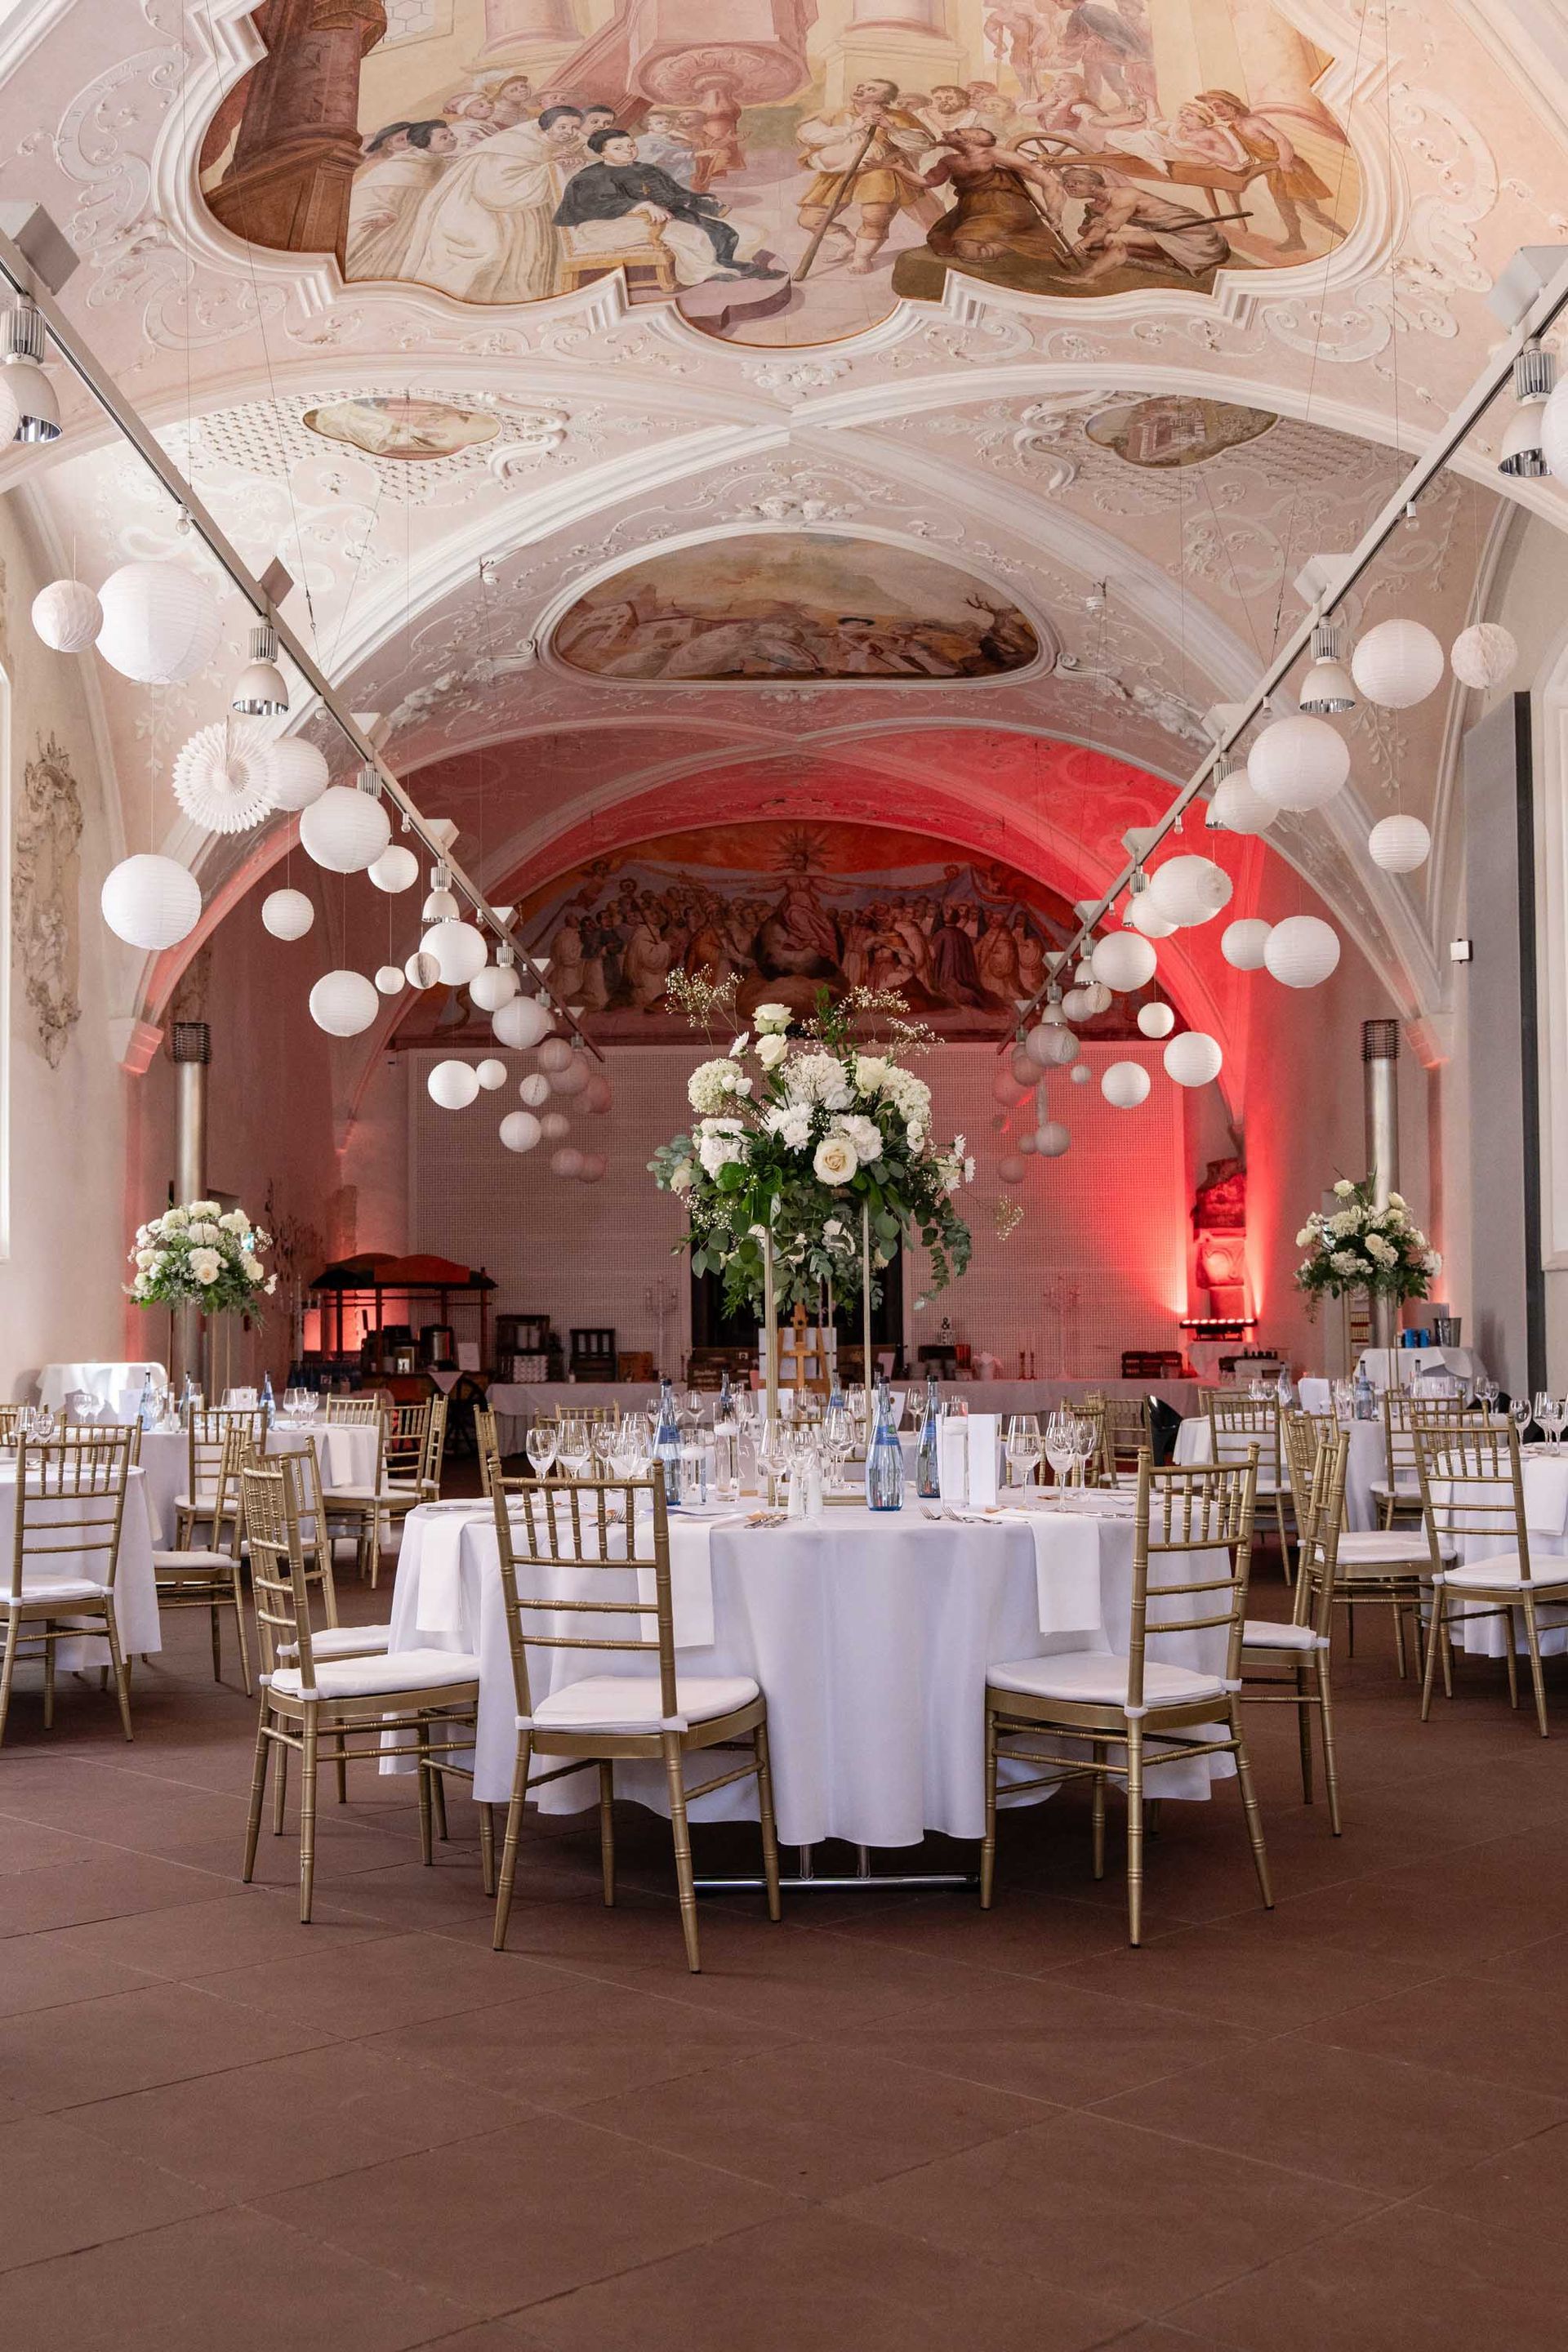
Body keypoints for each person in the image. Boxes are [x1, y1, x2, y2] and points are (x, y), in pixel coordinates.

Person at [395, 104, 585, 303]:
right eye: (562, 127)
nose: (569, 133)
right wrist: (553, 170)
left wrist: (567, 168)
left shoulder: (559, 146)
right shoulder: (513, 143)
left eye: (574, 128)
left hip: (519, 215)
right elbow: (497, 190)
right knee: (489, 255)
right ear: (546, 126)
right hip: (475, 211)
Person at [552, 127, 782, 283]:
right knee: (694, 236)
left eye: (630, 146)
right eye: (618, 148)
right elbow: (597, 204)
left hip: (663, 216)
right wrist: (642, 206)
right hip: (609, 225)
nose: (629, 151)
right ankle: (707, 271)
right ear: (602, 152)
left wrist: (699, 199)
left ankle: (730, 261)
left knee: (751, 233)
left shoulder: (647, 168)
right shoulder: (591, 176)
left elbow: (673, 193)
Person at [795, 78, 940, 274]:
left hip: (881, 169)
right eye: (861, 86)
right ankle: (848, 243)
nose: (861, 89)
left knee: (875, 217)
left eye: (870, 89)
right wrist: (851, 128)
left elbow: (925, 143)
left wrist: (891, 128)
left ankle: (862, 257)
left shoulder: (899, 117)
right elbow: (807, 135)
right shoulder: (836, 114)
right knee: (809, 218)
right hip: (841, 169)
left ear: (884, 98)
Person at [1194, 87, 1341, 252]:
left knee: (1312, 212)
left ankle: (1344, 236)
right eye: (1211, 109)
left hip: (1291, 169)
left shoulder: (1255, 122)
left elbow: (1281, 140)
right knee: (1285, 208)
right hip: (1272, 172)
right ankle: (1296, 240)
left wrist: (1284, 161)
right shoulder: (1233, 129)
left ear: (1232, 104)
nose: (1215, 111)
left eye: (1218, 106)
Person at [918, 128, 1069, 265]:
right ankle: (1023, 242)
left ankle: (1029, 245)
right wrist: (898, 168)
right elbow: (926, 182)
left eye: (957, 132)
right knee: (939, 239)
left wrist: (1054, 212)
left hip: (1005, 209)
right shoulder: (950, 161)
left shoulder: (997, 155)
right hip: (970, 210)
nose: (946, 132)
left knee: (968, 249)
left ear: (972, 140)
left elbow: (1048, 182)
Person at [1060, 163, 1231, 279]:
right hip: (1167, 235)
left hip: (1196, 236)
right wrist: (1089, 229)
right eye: (1067, 184)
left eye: (1076, 183)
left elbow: (1110, 227)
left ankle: (1086, 278)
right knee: (1098, 247)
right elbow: (1084, 230)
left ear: (1093, 185)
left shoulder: (1123, 195)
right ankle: (1169, 260)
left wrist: (1088, 240)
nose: (1070, 187)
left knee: (1113, 240)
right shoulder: (1095, 206)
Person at [346, 120, 457, 283]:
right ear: (424, 142)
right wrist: (382, 212)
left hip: (419, 224)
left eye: (452, 135)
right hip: (391, 226)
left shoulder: (441, 163)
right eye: (444, 137)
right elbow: (373, 193)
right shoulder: (402, 165)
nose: (453, 139)